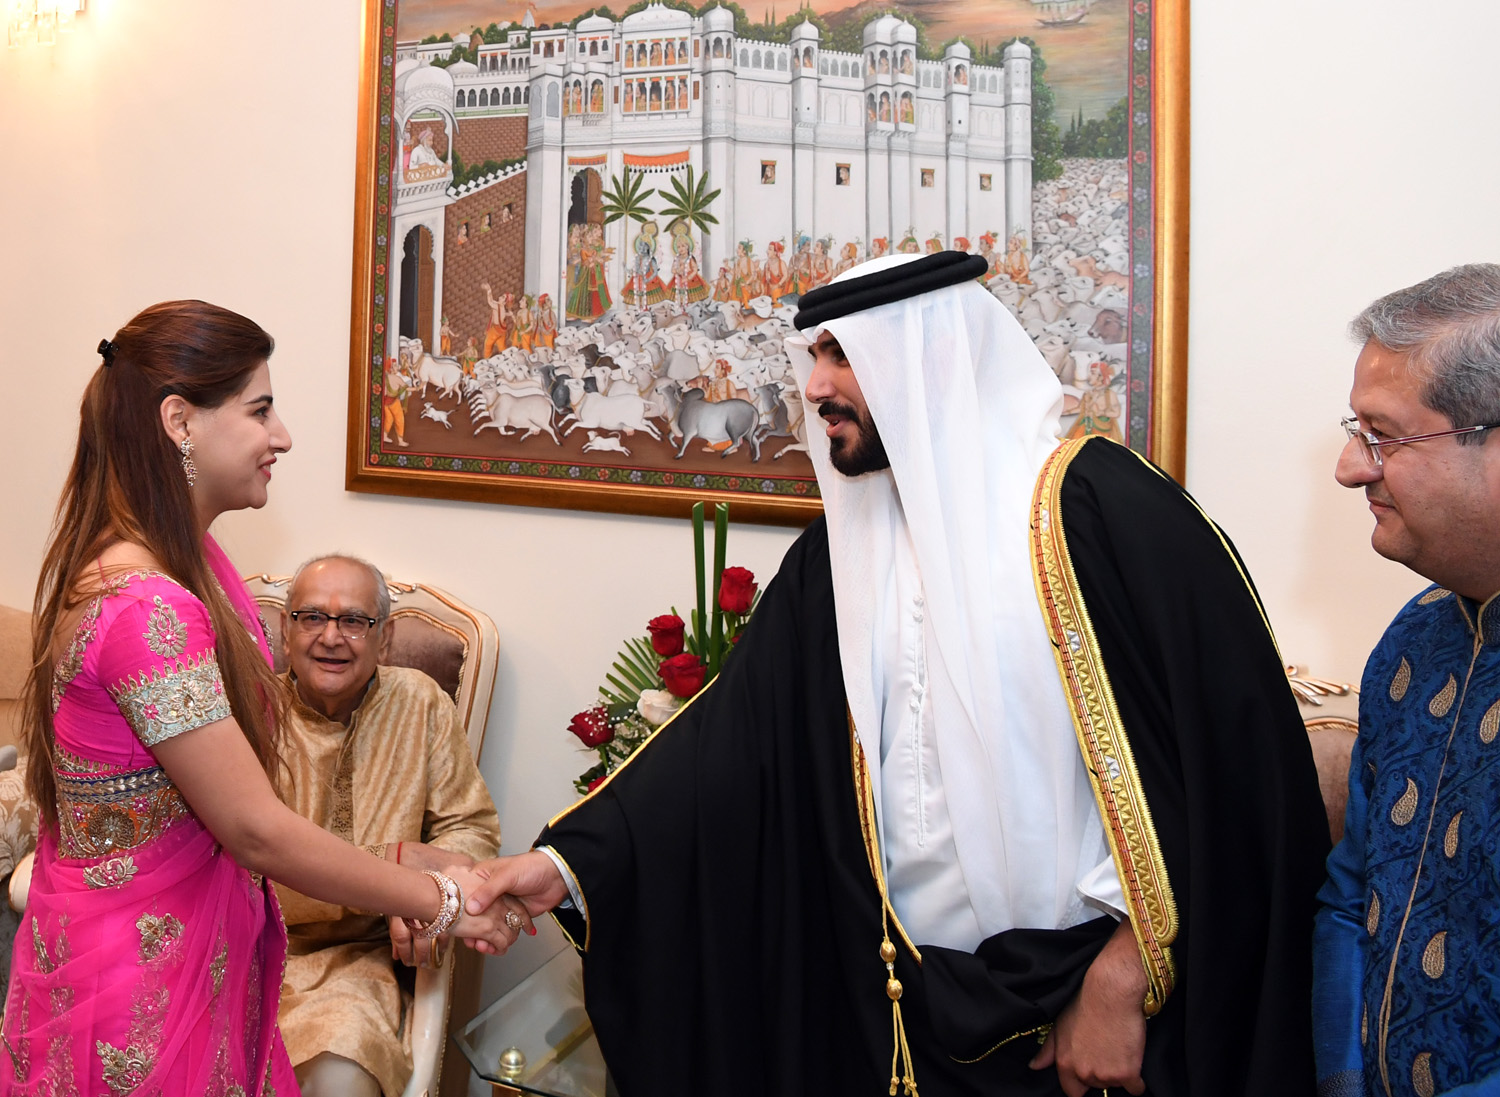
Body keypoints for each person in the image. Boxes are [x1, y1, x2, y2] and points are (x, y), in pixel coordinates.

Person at [466, 253, 1330, 1096]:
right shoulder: (842, 553)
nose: (814, 386)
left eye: (843, 355)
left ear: (931, 356)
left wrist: (1124, 973)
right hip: (889, 1001)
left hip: (1082, 1019)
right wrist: (565, 866)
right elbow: (731, 745)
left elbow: (1240, 775)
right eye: (814, 355)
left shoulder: (1099, 511)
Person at [0, 302, 526, 1096]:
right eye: (260, 409)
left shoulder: (171, 572)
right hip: (142, 986)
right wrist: (443, 897)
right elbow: (255, 829)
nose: (281, 436)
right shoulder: (148, 605)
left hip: (175, 954)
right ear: (180, 420)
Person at [1315, 263, 1500, 1097]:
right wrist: (1342, 1079)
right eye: (1355, 430)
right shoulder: (1415, 638)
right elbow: (1350, 898)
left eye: (1382, 435)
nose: (1350, 467)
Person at [274, 555, 502, 1097]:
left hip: (368, 960)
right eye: (312, 617)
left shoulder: (420, 703)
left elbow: (471, 828)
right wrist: (394, 865)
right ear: (286, 630)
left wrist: (427, 888)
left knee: (339, 1067)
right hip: (257, 948)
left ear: (386, 638)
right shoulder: (249, 711)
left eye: (355, 621)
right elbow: (240, 865)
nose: (332, 637)